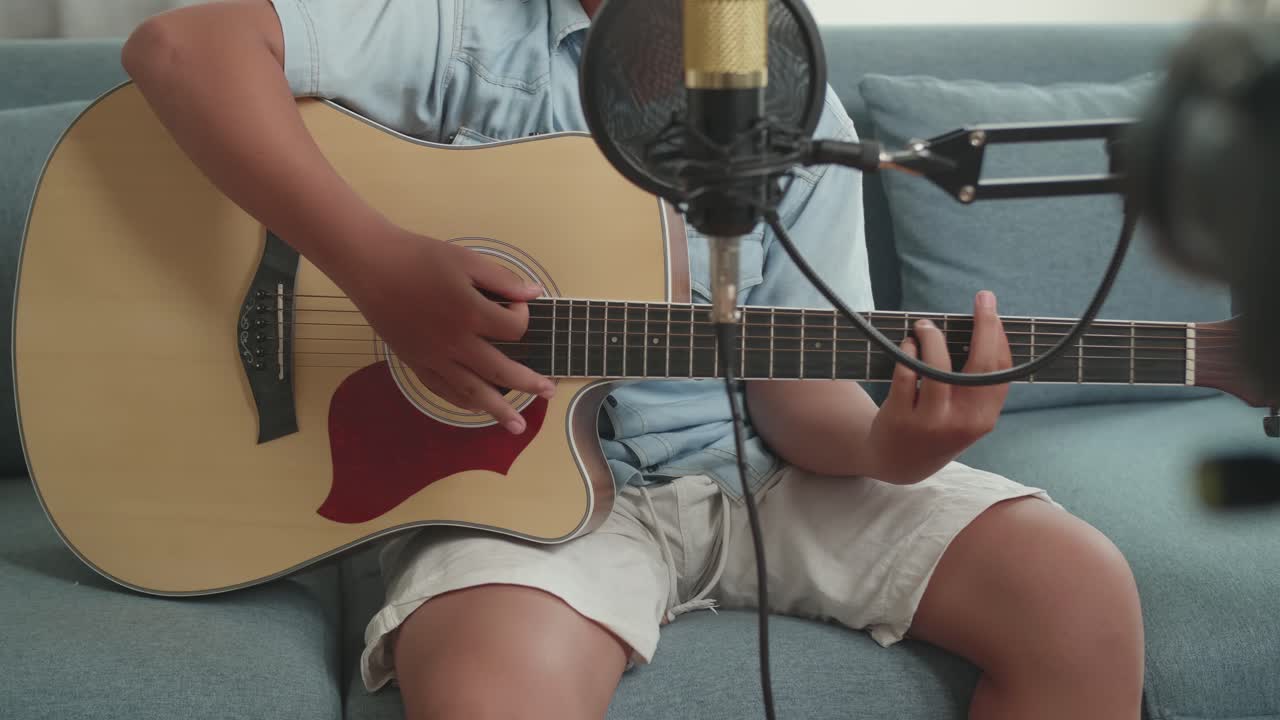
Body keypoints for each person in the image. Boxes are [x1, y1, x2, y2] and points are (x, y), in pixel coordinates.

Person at [121, 1, 1145, 718]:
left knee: (1075, 596)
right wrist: (380, 270)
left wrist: (891, 443)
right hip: (511, 496)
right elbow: (179, 48)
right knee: (487, 697)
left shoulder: (795, 108)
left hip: (757, 477)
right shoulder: (456, 25)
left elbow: (799, 408)